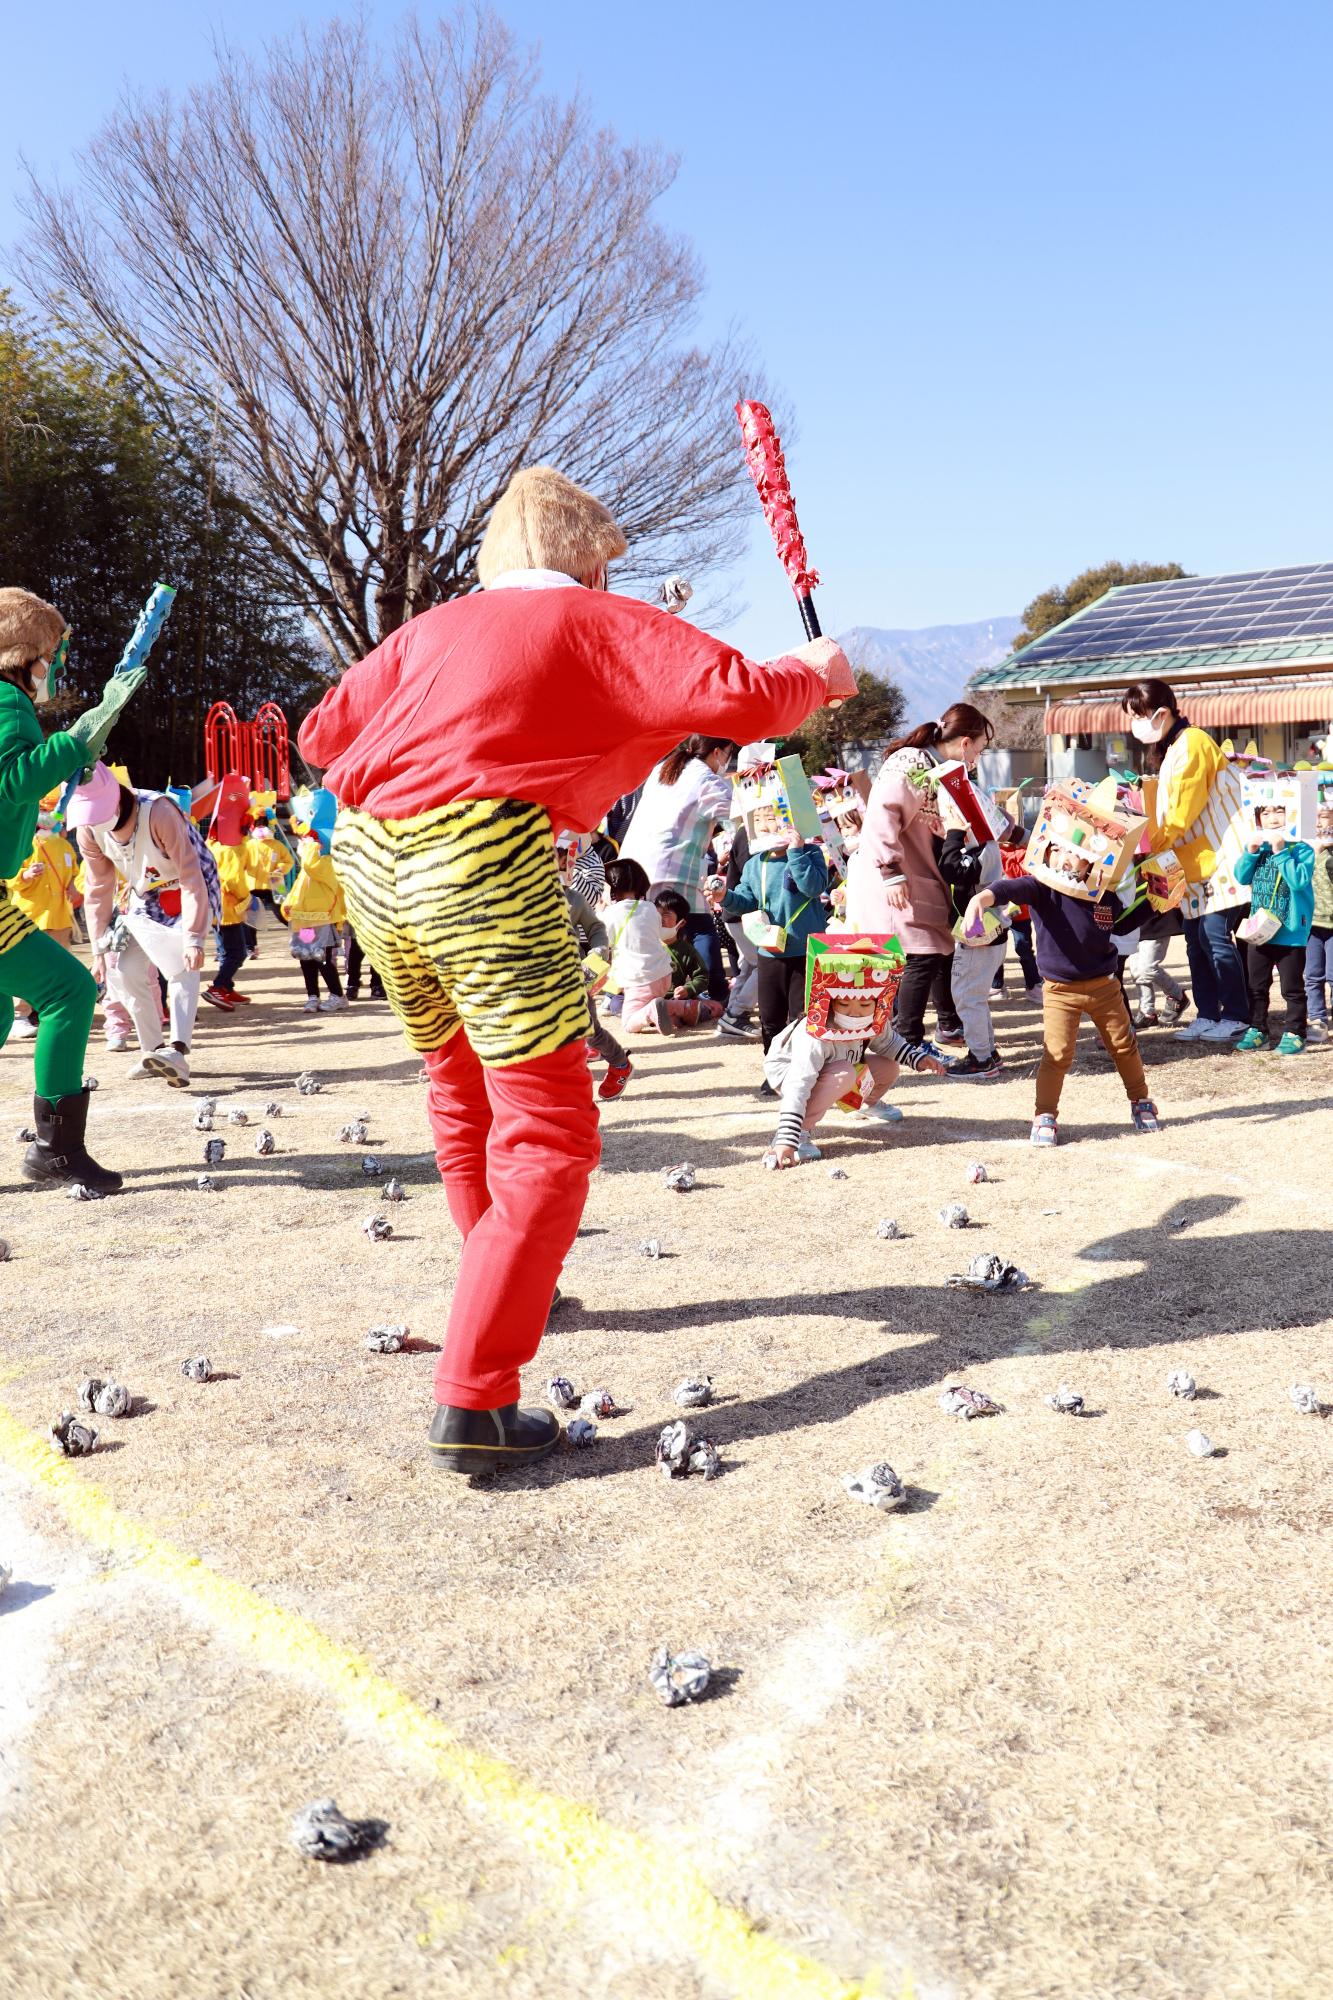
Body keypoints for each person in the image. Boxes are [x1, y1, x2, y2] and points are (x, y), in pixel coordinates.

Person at [298, 463, 849, 1473]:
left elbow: (321, 733)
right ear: (589, 559)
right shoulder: (594, 621)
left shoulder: (427, 629)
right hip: (478, 858)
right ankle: (474, 1396)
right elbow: (744, 697)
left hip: (371, 861)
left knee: (460, 1086)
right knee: (548, 1127)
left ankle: (506, 1281)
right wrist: (819, 668)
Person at [0, 589, 143, 1191]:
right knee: (68, 989)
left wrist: (70, 751)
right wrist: (78, 740)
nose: (52, 665)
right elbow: (14, 780)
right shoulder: (6, 699)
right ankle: (56, 1151)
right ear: (26, 653)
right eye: (49, 652)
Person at [966, 844, 1159, 1146]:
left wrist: (1158, 900)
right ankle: (1045, 1114)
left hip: (1104, 986)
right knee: (1056, 1054)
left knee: (1124, 1046)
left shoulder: (1102, 893)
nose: (1064, 858)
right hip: (1058, 990)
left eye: (1075, 852)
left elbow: (1120, 925)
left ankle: (1140, 1100)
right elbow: (1008, 887)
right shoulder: (1043, 888)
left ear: (1092, 860)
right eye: (1057, 849)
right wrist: (981, 897)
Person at [845, 702, 994, 1067]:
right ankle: (907, 1038)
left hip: (915, 874)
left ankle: (906, 1036)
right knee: (919, 955)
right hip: (894, 877)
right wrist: (891, 870)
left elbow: (985, 815)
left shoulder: (942, 771)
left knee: (927, 954)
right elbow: (883, 813)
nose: (978, 757)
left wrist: (1021, 834)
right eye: (980, 749)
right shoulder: (910, 763)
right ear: (964, 743)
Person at [73, 761, 216, 1091]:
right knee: (124, 969)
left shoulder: (159, 812)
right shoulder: (87, 829)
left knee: (182, 964)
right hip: (143, 893)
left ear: (116, 800)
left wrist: (194, 937)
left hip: (186, 884)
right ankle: (153, 1051)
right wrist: (98, 950)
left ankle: (177, 1051)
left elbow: (191, 874)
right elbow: (98, 888)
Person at [1122, 679, 1249, 1041]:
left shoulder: (1192, 742)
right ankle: (1208, 1013)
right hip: (1193, 861)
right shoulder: (1174, 746)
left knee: (1215, 936)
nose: (1134, 724)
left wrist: (1150, 846)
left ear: (1161, 713)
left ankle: (1236, 1014)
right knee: (1195, 939)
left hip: (1223, 854)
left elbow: (1181, 811)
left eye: (1137, 716)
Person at [617, 734, 737, 1004]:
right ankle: (714, 991)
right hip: (674, 865)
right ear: (717, 752)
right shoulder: (707, 780)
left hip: (636, 863)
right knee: (700, 926)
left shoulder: (665, 767)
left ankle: (630, 994)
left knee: (648, 931)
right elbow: (738, 815)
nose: (727, 761)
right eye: (728, 753)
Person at [719, 824, 828, 1063]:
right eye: (763, 821)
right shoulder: (755, 863)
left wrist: (796, 851)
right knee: (770, 1017)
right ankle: (774, 1068)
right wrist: (724, 897)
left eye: (779, 820)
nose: (772, 827)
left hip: (807, 950)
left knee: (803, 1016)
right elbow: (746, 901)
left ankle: (804, 1069)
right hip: (770, 951)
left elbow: (813, 887)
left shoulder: (811, 853)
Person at [556, 833, 631, 1098]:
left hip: (575, 973)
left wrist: (600, 952)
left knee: (588, 1029)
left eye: (552, 858)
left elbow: (596, 927)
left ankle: (620, 1063)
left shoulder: (572, 898)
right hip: (535, 981)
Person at [1234, 809, 1314, 1053]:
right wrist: (1250, 852)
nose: (1272, 818)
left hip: (1290, 931)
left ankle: (1295, 1032)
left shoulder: (1301, 848)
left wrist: (1280, 852)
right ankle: (1258, 1029)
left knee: (1291, 987)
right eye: (1265, 813)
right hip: (1260, 930)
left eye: (1279, 811)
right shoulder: (1258, 848)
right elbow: (1241, 876)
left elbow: (1299, 880)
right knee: (1256, 984)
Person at [937, 820, 1007, 1080]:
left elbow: (950, 868)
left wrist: (954, 834)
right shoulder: (986, 847)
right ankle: (987, 1052)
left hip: (980, 936)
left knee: (967, 998)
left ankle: (981, 1059)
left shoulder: (983, 850)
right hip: (988, 934)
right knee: (975, 997)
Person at [4, 802, 80, 1040]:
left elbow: (73, 873)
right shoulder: (28, 843)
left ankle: (43, 1012)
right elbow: (11, 876)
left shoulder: (65, 846)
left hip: (58, 915)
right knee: (27, 966)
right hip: (29, 915)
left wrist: (72, 888)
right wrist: (26, 875)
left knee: (58, 967)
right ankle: (20, 1014)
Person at [281, 834, 348, 1013]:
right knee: (306, 957)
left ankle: (337, 995)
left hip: (322, 920)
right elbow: (298, 890)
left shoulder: (327, 863)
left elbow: (311, 866)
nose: (302, 845)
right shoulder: (307, 868)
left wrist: (311, 846)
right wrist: (288, 905)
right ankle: (313, 996)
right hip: (305, 920)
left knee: (321, 958)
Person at [654, 889, 724, 1028]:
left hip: (676, 999)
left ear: (681, 922)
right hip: (649, 998)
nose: (660, 919)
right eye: (657, 914)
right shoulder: (647, 944)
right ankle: (665, 1015)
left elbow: (702, 977)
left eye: (666, 914)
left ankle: (669, 1015)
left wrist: (688, 989)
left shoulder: (686, 950)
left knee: (715, 1007)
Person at [1304, 802, 1333, 1042]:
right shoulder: (1303, 849)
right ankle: (1317, 1018)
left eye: (1323, 816)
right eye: (1313, 817)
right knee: (1312, 975)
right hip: (1311, 925)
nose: (1318, 822)